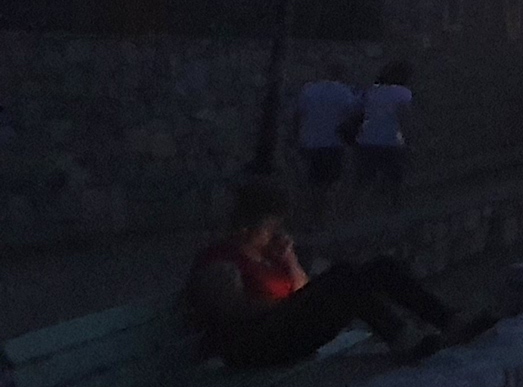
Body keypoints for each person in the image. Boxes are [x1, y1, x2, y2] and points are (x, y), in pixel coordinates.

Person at [187, 180, 478, 367]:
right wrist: (287, 306)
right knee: (342, 275)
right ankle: (401, 336)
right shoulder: (221, 260)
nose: (275, 233)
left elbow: (302, 289)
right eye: (270, 227)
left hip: (289, 329)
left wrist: (289, 259)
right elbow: (231, 316)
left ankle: (449, 320)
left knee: (381, 267)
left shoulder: (269, 257)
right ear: (247, 225)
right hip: (257, 346)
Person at [290, 63, 359, 190]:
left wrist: (296, 138)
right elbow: (353, 118)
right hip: (333, 143)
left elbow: (298, 116)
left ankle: (310, 207)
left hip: (309, 142)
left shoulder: (309, 90)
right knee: (330, 185)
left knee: (310, 183)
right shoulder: (345, 92)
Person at [351, 61, 412, 192]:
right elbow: (404, 118)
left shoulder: (369, 92)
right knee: (394, 180)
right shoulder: (403, 93)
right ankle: (392, 206)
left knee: (364, 180)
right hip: (391, 141)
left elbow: (357, 114)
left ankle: (360, 207)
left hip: (367, 140)